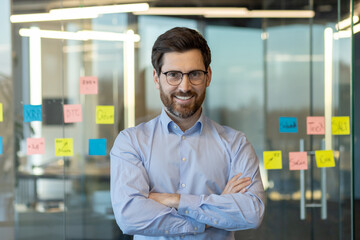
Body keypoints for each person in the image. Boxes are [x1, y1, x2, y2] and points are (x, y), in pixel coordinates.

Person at [110, 27, 265, 240]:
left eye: (194, 74)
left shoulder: (236, 144)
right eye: (173, 75)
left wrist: (175, 200)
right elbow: (130, 217)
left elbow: (252, 212)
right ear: (156, 78)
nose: (184, 86)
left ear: (208, 76)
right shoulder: (131, 142)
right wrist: (212, 215)